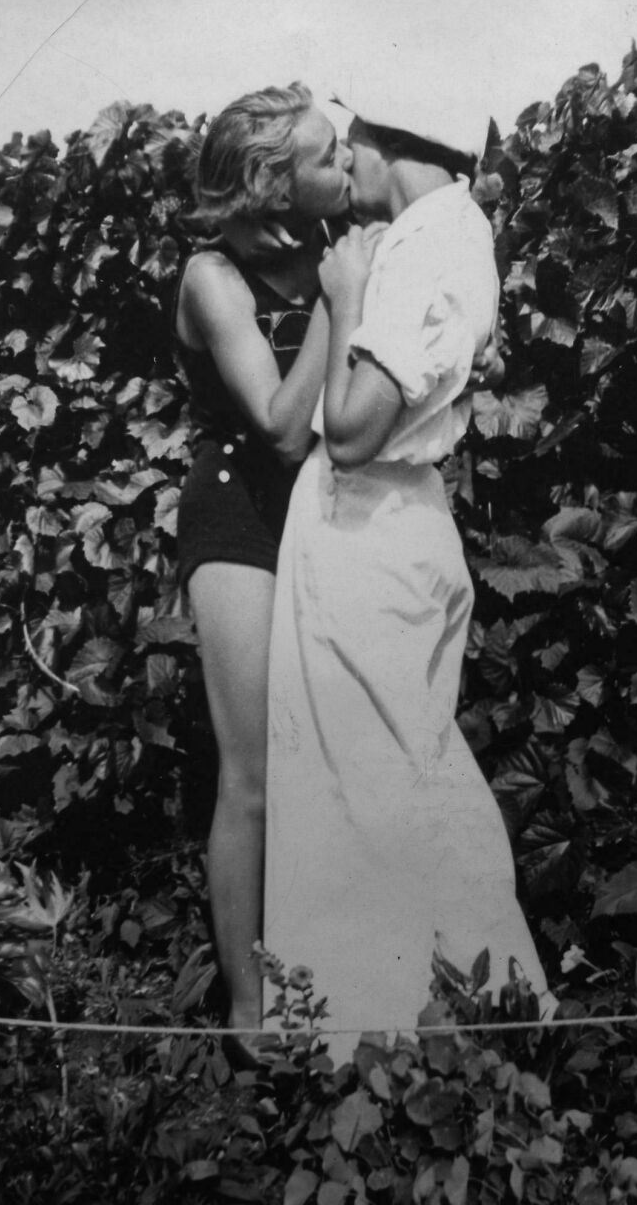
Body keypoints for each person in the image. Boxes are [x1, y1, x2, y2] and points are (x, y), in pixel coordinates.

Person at [263, 83, 554, 1065]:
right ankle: (393, 1037)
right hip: (379, 528)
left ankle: (424, 1036)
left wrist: (341, 300)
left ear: (399, 143)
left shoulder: (430, 245)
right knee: (374, 780)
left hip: (371, 531)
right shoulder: (433, 234)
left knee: (384, 787)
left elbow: (348, 432)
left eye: (353, 145)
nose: (345, 168)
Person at [173, 82, 353, 1047]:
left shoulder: (332, 243)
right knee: (251, 772)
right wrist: (341, 300)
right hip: (240, 512)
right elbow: (283, 429)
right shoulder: (214, 278)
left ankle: (327, 977)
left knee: (330, 754)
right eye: (327, 157)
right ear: (270, 182)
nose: (348, 166)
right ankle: (248, 1014)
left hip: (327, 512)